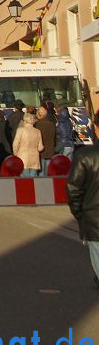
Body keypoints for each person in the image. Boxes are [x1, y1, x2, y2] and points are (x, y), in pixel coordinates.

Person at [67, 115, 99, 285]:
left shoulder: (85, 155)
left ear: (96, 128)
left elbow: (73, 189)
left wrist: (80, 214)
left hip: (94, 218)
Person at [36, 106, 57, 175]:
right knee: (48, 172)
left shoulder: (37, 125)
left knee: (41, 172)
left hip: (41, 152)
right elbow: (55, 138)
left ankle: (41, 185)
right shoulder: (52, 124)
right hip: (50, 151)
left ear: (39, 115)